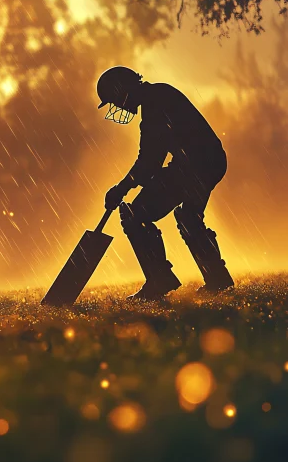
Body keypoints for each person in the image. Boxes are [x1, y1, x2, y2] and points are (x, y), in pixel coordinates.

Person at [98, 66, 234, 300]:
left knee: (137, 215)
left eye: (115, 100)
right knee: (187, 217)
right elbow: (152, 161)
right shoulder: (157, 97)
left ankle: (160, 279)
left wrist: (121, 188)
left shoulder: (155, 104)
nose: (117, 107)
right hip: (201, 163)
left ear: (123, 92)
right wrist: (135, 182)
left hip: (196, 166)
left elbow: (149, 162)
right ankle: (216, 279)